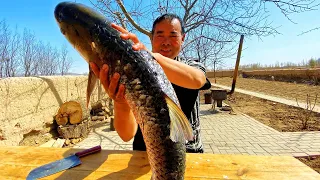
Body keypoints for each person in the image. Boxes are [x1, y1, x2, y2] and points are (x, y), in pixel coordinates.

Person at [90, 13, 211, 153]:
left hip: (189, 153)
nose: (166, 42)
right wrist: (120, 102)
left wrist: (149, 57)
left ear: (182, 39)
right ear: (151, 38)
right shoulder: (132, 73)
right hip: (146, 155)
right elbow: (126, 135)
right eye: (160, 35)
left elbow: (197, 80)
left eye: (173, 35)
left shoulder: (192, 65)